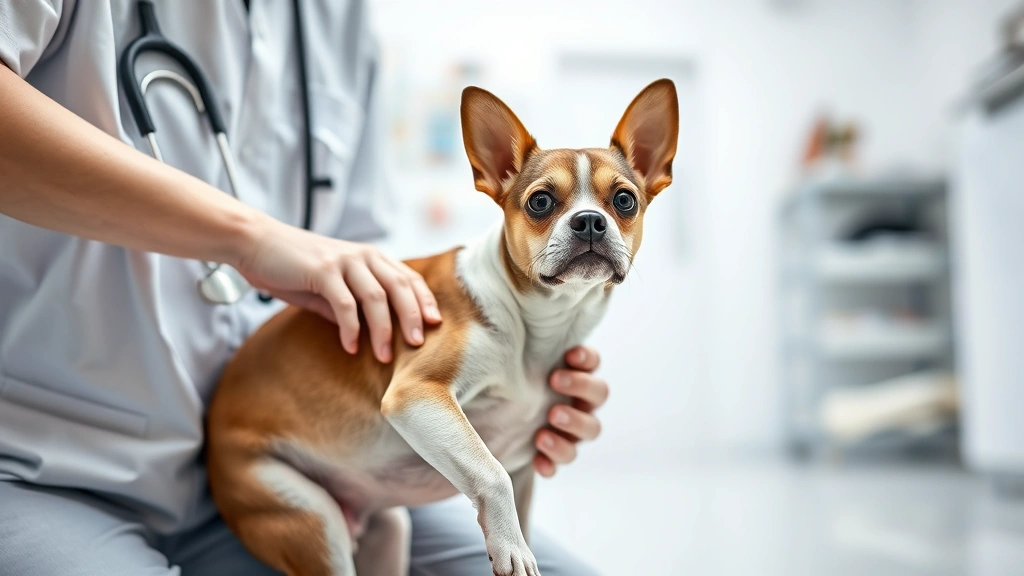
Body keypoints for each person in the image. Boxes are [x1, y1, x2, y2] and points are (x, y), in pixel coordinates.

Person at [0, 2, 608, 575]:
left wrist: (513, 401)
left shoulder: (338, 18)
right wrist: (248, 238)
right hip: (51, 460)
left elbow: (361, 266)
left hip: (322, 460)